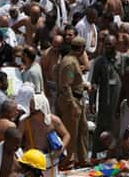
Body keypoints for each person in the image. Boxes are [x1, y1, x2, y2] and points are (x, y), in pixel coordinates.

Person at [56, 37, 88, 168]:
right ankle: (68, 160)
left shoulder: (74, 60)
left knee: (83, 130)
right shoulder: (69, 62)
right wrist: (73, 105)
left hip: (78, 98)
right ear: (81, 49)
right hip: (71, 102)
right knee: (72, 132)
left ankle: (83, 159)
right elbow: (66, 86)